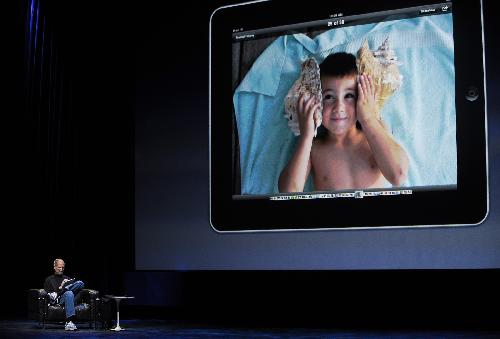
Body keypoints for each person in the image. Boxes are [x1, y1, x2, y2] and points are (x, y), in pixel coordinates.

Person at [279, 52, 409, 192]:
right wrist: (306, 135)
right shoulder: (314, 149)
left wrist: (368, 118)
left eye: (349, 95)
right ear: (317, 101)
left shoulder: (375, 133)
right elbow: (288, 192)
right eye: (329, 97)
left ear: (361, 97)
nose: (339, 107)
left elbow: (398, 175)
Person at [43, 258, 85, 331]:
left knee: (80, 283)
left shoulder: (67, 278)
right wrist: (61, 287)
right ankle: (69, 322)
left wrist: (65, 287)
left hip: (69, 298)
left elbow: (77, 289)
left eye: (63, 267)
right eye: (59, 267)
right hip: (58, 300)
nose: (61, 269)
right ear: (54, 267)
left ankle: (69, 323)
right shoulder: (49, 279)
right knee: (69, 292)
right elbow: (51, 296)